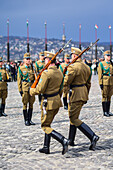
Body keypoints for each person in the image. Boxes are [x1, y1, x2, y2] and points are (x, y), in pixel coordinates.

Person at [30, 51, 69, 155]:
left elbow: (40, 90)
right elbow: (61, 89)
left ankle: (63, 140)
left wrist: (31, 90)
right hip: (56, 101)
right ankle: (46, 147)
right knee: (48, 123)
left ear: (48, 60)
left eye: (45, 59)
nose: (44, 61)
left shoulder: (46, 73)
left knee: (45, 126)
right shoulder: (60, 72)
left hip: (48, 102)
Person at [64, 47, 99, 150]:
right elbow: (89, 83)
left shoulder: (73, 67)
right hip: (83, 93)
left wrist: (64, 92)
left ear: (74, 56)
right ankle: (71, 140)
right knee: (74, 115)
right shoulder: (87, 67)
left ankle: (92, 136)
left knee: (73, 118)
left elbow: (66, 82)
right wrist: (86, 94)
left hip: (75, 94)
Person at [17, 53, 35, 126]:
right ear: (24, 60)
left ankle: (30, 119)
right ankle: (26, 120)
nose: (28, 60)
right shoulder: (21, 68)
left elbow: (34, 78)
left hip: (31, 87)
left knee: (31, 104)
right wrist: (20, 90)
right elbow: (19, 80)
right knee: (25, 104)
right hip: (25, 87)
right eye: (27, 59)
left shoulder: (32, 68)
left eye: (29, 59)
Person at [98, 50, 113, 117]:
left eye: (109, 55)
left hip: (111, 82)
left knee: (109, 97)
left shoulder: (111, 64)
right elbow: (100, 75)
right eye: (107, 55)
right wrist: (101, 83)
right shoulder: (101, 64)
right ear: (104, 56)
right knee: (104, 96)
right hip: (105, 82)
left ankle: (108, 111)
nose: (109, 57)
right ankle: (105, 111)